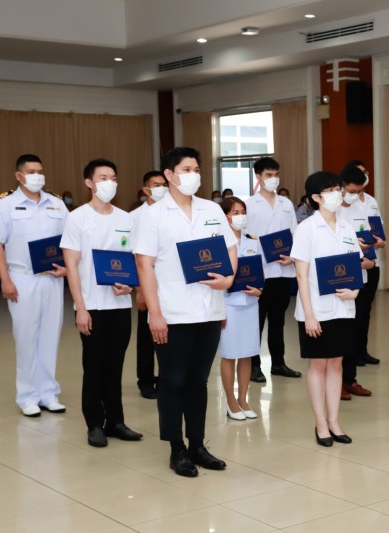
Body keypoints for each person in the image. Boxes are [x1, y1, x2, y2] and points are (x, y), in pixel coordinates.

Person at [134, 146, 236, 477]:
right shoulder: (153, 215)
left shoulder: (211, 209)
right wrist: (155, 313)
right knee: (173, 381)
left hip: (209, 310)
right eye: (186, 169)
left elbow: (230, 249)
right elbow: (144, 266)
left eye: (196, 169)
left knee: (198, 381)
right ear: (169, 175)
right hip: (172, 312)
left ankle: (198, 444)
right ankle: (176, 448)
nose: (194, 175)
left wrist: (229, 278)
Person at [61, 158, 143, 448]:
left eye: (113, 178)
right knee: (94, 367)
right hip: (92, 306)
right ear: (89, 183)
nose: (110, 183)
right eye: (103, 178)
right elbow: (71, 266)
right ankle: (94, 423)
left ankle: (116, 421)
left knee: (115, 366)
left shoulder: (125, 218)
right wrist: (80, 308)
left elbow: (133, 259)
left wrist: (131, 284)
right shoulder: (77, 218)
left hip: (119, 306)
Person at [0, 154, 68, 417]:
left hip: (52, 278)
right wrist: (5, 279)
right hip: (22, 277)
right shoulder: (5, 203)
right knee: (26, 338)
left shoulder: (56, 203)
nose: (37, 176)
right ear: (19, 176)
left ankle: (48, 393)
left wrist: (67, 269)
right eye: (31, 172)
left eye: (40, 171)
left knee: (50, 336)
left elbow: (71, 240)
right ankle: (27, 396)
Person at [291, 171, 363, 446]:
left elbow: (355, 267)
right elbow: (301, 275)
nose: (337, 194)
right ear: (316, 197)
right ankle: (320, 423)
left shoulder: (347, 227)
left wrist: (355, 291)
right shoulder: (307, 228)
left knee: (336, 363)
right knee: (318, 364)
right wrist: (309, 315)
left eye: (337, 189)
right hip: (316, 310)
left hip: (343, 308)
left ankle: (334, 421)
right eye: (330, 190)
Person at [244, 157, 302, 382]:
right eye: (268, 175)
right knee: (256, 321)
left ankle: (278, 363)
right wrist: (258, 245)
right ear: (258, 177)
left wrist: (292, 256)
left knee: (278, 321)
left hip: (282, 270)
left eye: (276, 175)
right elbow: (244, 236)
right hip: (259, 271)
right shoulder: (249, 204)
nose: (273, 179)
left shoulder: (286, 203)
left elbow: (294, 233)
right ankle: (254, 366)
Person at [337, 165, 380, 400]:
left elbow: (367, 236)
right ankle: (337, 383)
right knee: (341, 331)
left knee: (354, 327)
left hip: (360, 273)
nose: (354, 196)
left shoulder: (362, 207)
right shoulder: (332, 210)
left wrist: (369, 257)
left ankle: (350, 379)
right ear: (341, 187)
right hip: (339, 276)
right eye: (351, 191)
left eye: (358, 191)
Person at [218, 197, 261, 420]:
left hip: (250, 304)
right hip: (228, 304)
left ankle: (243, 399)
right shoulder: (218, 243)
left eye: (243, 211)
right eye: (235, 212)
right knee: (229, 354)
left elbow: (261, 271)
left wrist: (259, 290)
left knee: (247, 353)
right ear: (225, 216)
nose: (240, 216)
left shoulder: (252, 240)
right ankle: (230, 401)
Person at [130, 170, 168, 399]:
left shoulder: (172, 212)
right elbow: (135, 257)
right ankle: (145, 380)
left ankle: (166, 378)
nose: (162, 188)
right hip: (147, 284)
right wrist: (140, 290)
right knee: (146, 336)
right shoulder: (135, 217)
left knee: (169, 335)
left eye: (164, 184)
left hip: (170, 284)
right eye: (156, 184)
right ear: (146, 190)